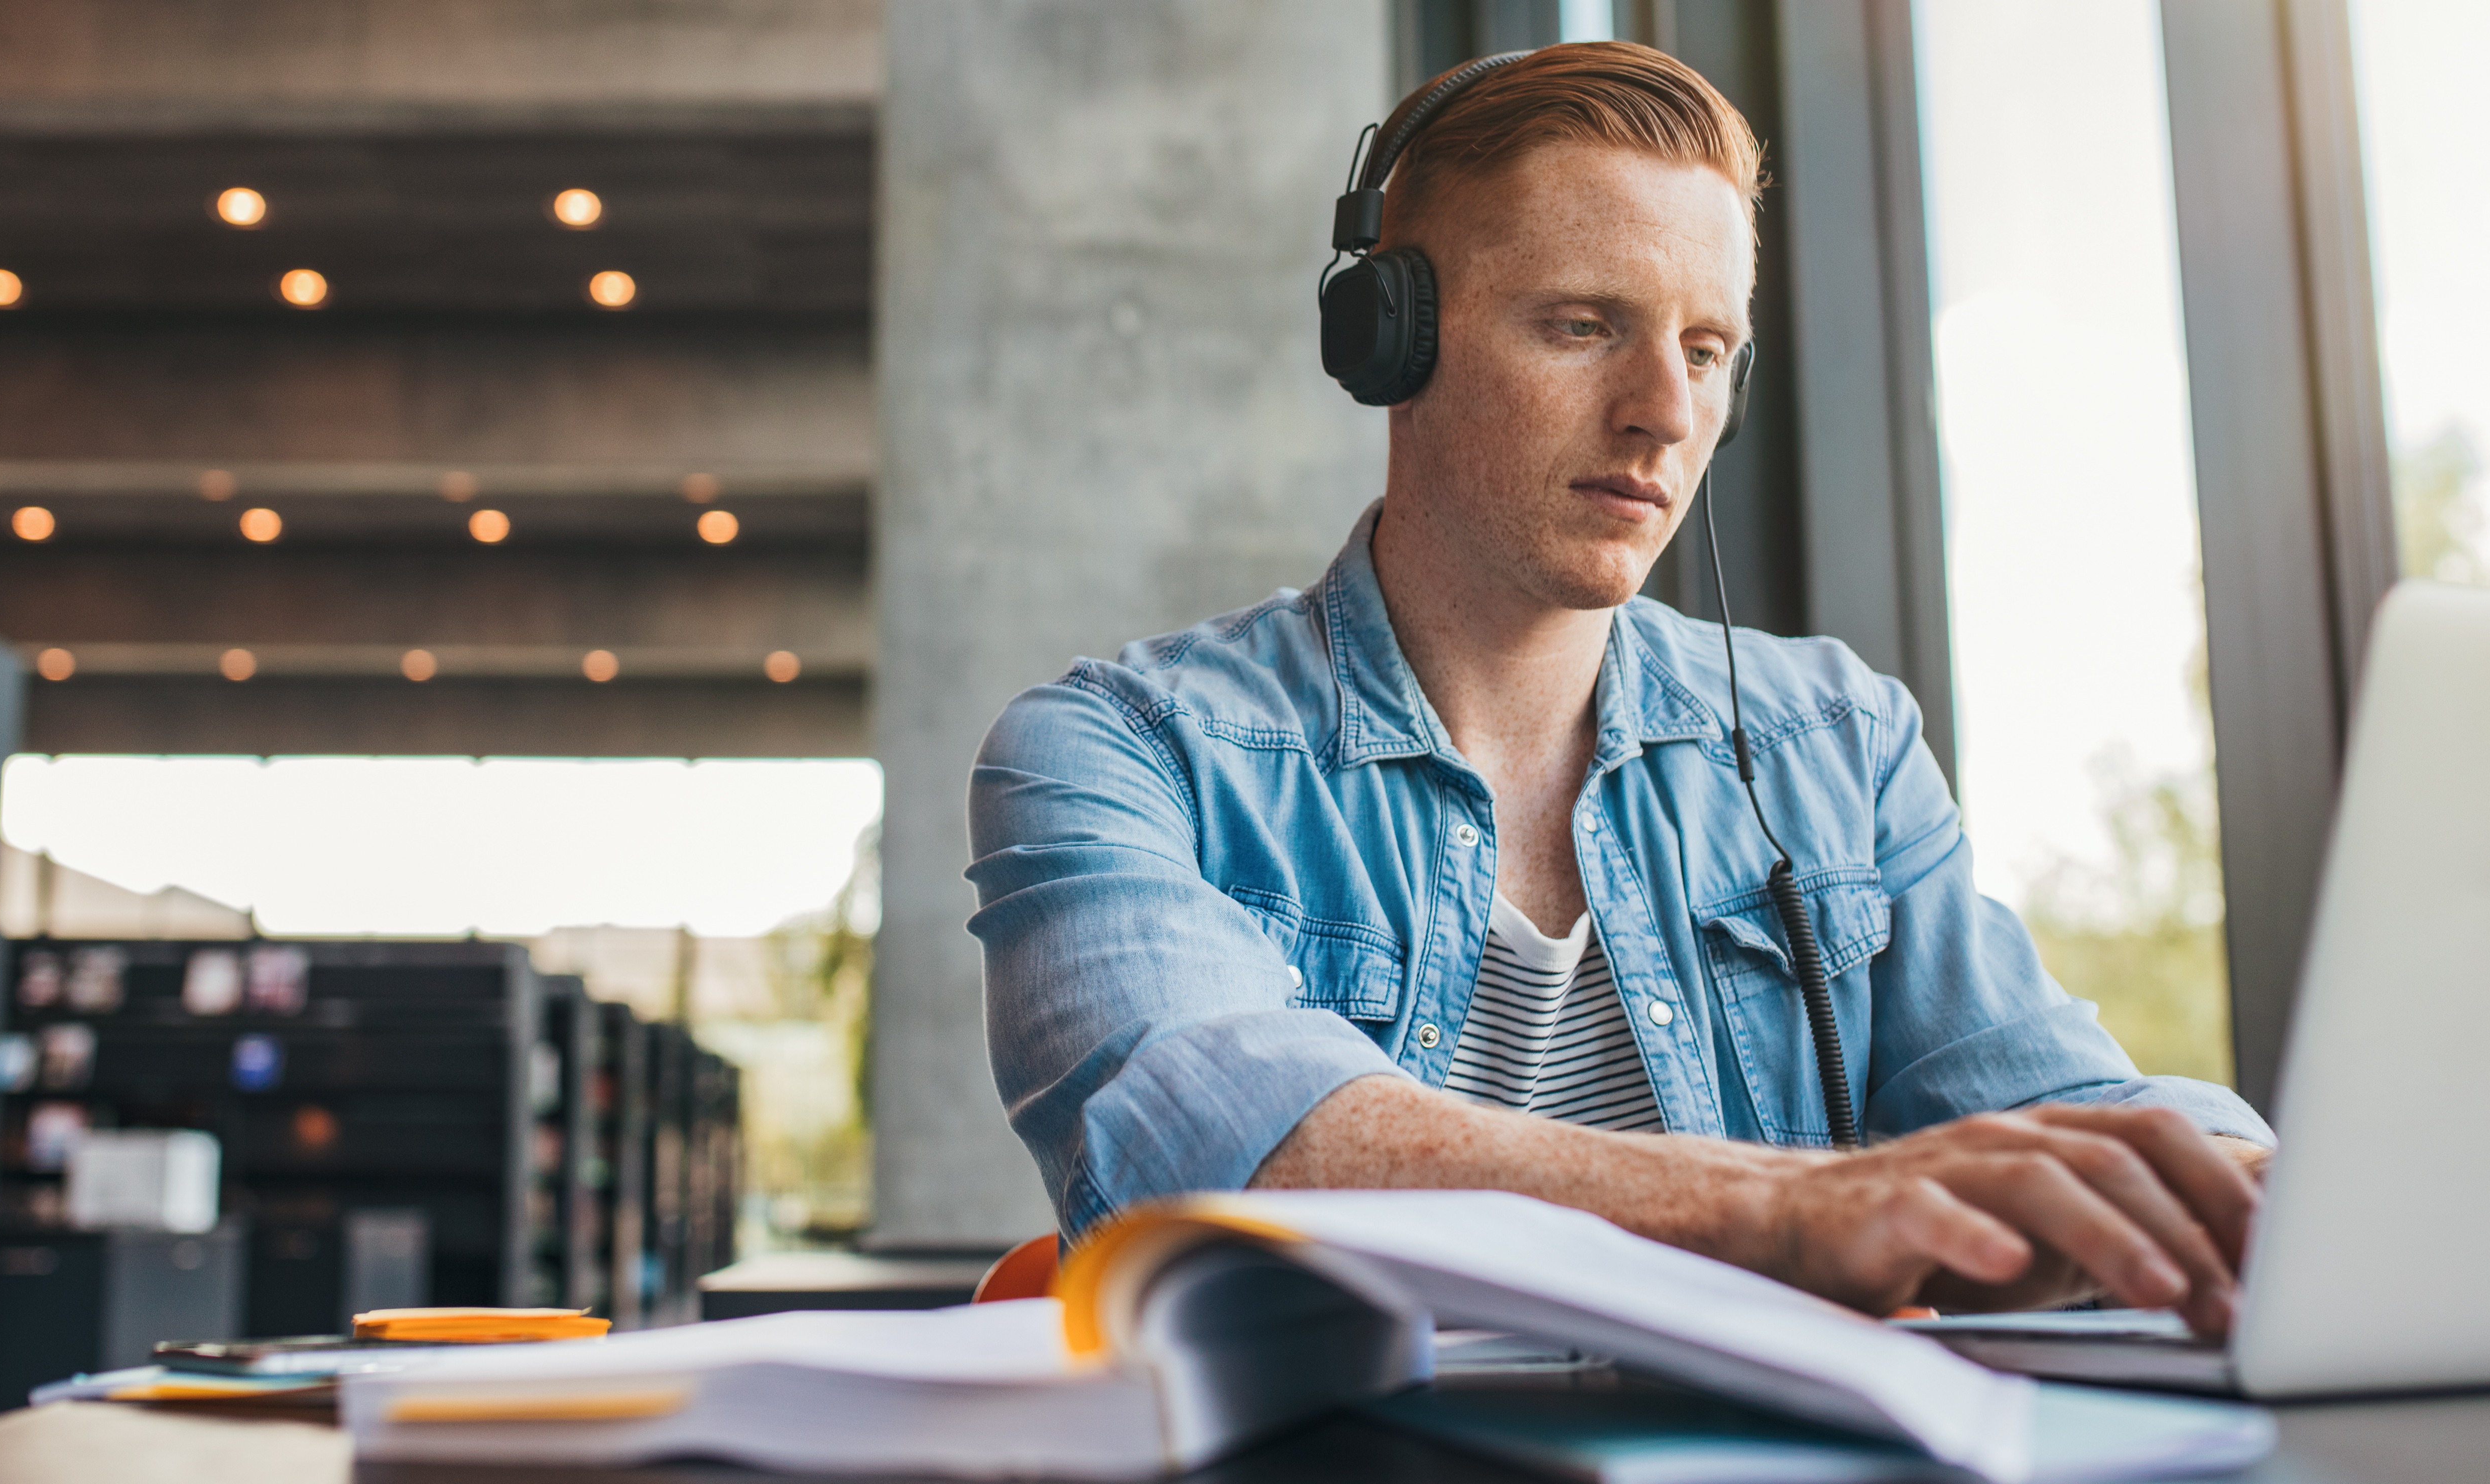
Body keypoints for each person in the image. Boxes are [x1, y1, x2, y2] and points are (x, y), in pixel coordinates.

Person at [966, 41, 2274, 1338]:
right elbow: (1219, 1151)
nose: (1664, 411)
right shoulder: (1118, 754)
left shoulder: (1838, 746)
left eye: (1707, 350)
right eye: (1585, 325)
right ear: (1393, 344)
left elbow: (2056, 1116)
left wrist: (2246, 1191)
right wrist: (1801, 1210)